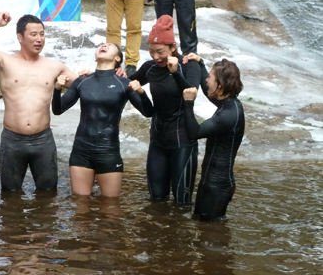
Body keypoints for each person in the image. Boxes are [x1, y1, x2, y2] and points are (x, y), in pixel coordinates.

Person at [0, 12, 79, 192]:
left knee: (48, 194)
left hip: (43, 139)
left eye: (42, 34)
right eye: (33, 34)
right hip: (12, 140)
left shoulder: (54, 66)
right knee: (10, 195)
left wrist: (108, 73)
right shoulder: (5, 61)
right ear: (20, 37)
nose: (39, 39)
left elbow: (84, 85)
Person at [52, 43, 153, 197]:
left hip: (108, 151)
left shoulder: (124, 84)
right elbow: (57, 110)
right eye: (101, 45)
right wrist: (57, 89)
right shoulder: (82, 81)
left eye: (109, 45)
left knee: (111, 206)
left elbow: (148, 112)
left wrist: (141, 92)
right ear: (95, 57)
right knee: (80, 204)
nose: (104, 45)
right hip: (81, 151)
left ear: (117, 58)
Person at [129, 15, 200, 204]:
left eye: (160, 51)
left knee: (182, 203)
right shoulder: (150, 67)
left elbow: (190, 92)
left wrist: (175, 72)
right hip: (158, 141)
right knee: (156, 200)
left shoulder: (189, 65)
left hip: (183, 141)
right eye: (151, 51)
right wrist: (106, 73)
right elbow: (125, 84)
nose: (155, 57)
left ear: (173, 47)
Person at [182, 55, 245, 221]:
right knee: (200, 223)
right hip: (210, 180)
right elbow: (207, 89)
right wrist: (200, 63)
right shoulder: (228, 102)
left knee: (211, 231)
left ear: (220, 85)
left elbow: (194, 133)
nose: (206, 80)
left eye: (210, 77)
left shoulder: (228, 115)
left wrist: (188, 103)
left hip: (218, 185)